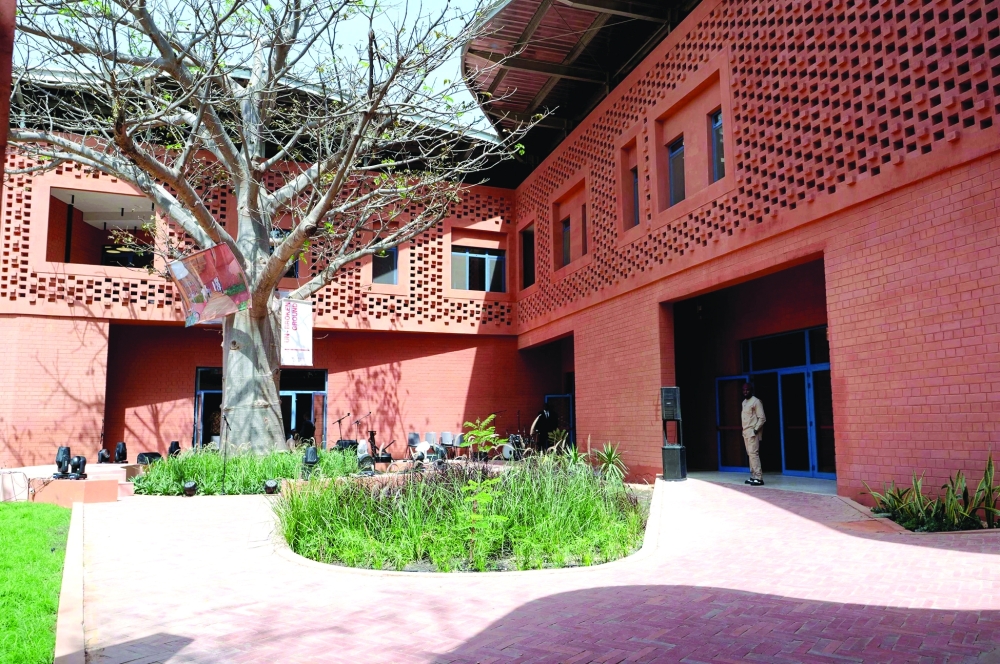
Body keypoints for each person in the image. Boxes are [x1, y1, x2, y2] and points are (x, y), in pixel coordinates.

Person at [741, 382, 766, 486]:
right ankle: (753, 476)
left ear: (751, 390)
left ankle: (759, 477)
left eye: (747, 390)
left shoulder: (756, 402)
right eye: (744, 390)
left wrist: (755, 430)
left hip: (752, 432)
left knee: (753, 454)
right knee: (750, 454)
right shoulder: (744, 402)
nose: (745, 392)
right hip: (746, 432)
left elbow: (762, 418)